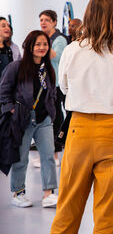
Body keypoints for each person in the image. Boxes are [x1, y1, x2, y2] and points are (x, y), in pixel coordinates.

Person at [50, 0, 113, 233]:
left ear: (87, 17)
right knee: (108, 213)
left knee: (68, 207)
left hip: (79, 128)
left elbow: (63, 86)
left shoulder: (73, 50)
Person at [0, 30, 58, 207]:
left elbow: (52, 92)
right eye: (38, 44)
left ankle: (48, 193)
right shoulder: (16, 67)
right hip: (22, 119)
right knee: (21, 158)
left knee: (48, 156)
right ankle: (18, 192)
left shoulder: (47, 68)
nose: (42, 48)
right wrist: (11, 110)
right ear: (29, 46)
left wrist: (51, 110)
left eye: (45, 44)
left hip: (44, 119)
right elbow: (3, 91)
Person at [39, 10, 67, 163]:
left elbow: (58, 57)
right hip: (45, 84)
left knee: (56, 117)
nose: (43, 23)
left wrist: (39, 44)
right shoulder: (45, 38)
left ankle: (55, 152)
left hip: (56, 84)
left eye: (47, 20)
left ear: (55, 22)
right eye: (42, 20)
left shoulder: (59, 39)